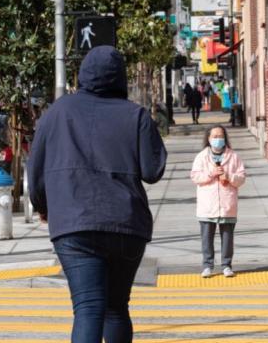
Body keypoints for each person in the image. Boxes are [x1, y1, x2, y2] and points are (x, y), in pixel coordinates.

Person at [27, 46, 168, 343]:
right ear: (121, 77)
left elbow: (36, 170)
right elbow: (153, 170)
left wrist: (43, 207)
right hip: (126, 224)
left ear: (83, 74)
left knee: (88, 309)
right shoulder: (136, 115)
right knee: (116, 308)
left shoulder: (57, 112)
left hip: (73, 225)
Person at [190, 125, 246, 278]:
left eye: (220, 136)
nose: (217, 139)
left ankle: (226, 265)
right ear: (208, 139)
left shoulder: (233, 156)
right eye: (214, 136)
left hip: (227, 204)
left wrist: (229, 176)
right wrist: (211, 173)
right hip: (207, 205)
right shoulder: (201, 157)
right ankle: (207, 265)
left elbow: (241, 178)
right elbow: (195, 177)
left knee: (227, 237)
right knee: (207, 237)